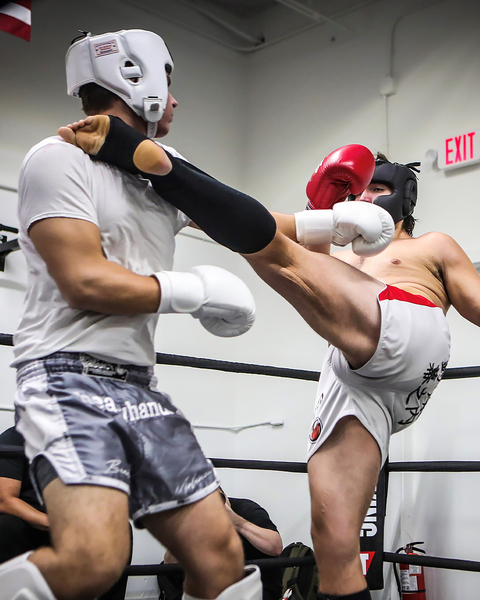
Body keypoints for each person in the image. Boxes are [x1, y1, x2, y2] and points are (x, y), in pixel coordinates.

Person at [56, 79, 480, 600]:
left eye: (379, 189)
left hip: (408, 332)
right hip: (358, 382)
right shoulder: (340, 248)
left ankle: (151, 161)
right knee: (334, 542)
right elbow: (288, 249)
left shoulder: (431, 247)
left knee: (270, 251)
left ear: (404, 199)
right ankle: (168, 185)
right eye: (360, 190)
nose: (367, 198)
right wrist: (308, 213)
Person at [0, 29, 265, 600]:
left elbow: (256, 223)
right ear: (134, 75)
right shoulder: (57, 158)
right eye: (168, 81)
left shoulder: (162, 169)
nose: (175, 99)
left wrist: (334, 223)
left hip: (139, 386)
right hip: (65, 377)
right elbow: (83, 281)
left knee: (220, 557)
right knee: (95, 559)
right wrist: (193, 290)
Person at [0, 425, 133, 599]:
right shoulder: (14, 438)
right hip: (29, 523)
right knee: (8, 525)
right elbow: (5, 501)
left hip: (71, 523)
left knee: (119, 528)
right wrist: (51, 522)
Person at [159, 487, 283, 600]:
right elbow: (169, 563)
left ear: (225, 496)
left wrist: (237, 522)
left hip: (255, 584)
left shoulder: (246, 509)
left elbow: (275, 547)